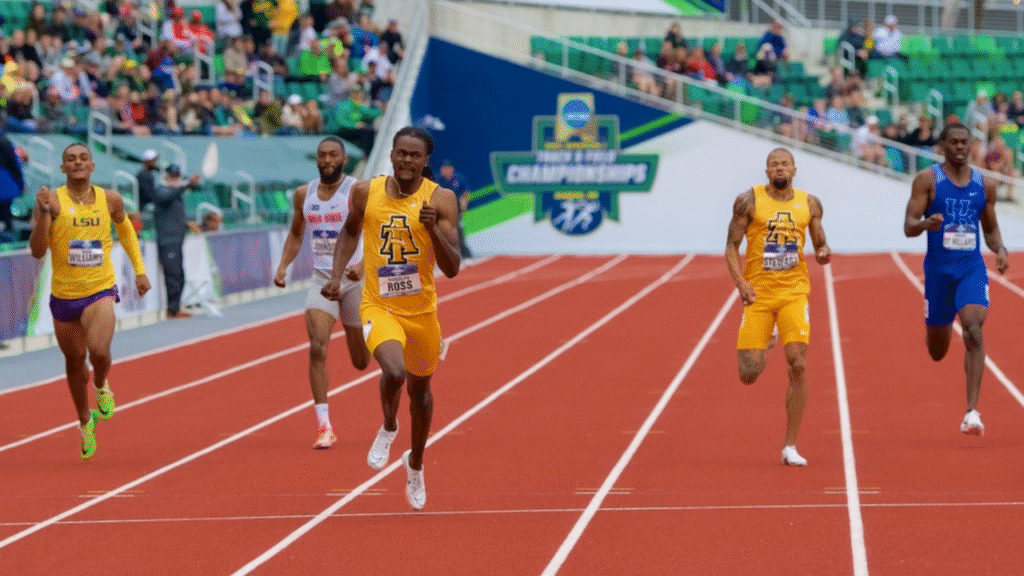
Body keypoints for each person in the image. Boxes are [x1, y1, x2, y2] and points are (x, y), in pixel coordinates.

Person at [321, 126, 461, 510]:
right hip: (378, 305)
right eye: (401, 153)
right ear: (392, 154)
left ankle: (415, 463)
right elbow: (349, 232)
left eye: (415, 155)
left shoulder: (442, 199)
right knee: (395, 372)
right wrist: (336, 276)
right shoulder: (365, 192)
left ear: (426, 160)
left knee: (421, 393)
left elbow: (452, 268)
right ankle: (388, 425)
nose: (407, 160)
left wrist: (432, 229)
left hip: (422, 312)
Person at [28, 143, 151, 459]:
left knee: (98, 351)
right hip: (64, 295)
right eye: (71, 159)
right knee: (74, 362)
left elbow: (125, 231)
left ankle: (101, 384)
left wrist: (139, 270)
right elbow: (38, 251)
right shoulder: (52, 201)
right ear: (63, 168)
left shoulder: (111, 199)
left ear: (92, 166)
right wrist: (43, 214)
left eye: (83, 158)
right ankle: (85, 421)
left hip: (100, 289)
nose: (78, 162)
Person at [725, 148, 831, 466]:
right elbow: (731, 246)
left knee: (798, 364)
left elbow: (820, 242)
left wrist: (823, 252)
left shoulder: (810, 203)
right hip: (759, 295)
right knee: (748, 373)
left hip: (794, 293)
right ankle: (768, 340)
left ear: (794, 170)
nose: (780, 168)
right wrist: (741, 283)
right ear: (767, 171)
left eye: (785, 164)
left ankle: (790, 446)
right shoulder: (749, 201)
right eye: (774, 164)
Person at [904, 122, 1010, 436]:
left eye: (965, 142)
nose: (960, 147)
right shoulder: (927, 180)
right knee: (937, 351)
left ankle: (971, 412)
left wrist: (1000, 248)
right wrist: (925, 224)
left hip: (970, 269)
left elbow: (990, 228)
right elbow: (908, 226)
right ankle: (937, 324)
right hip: (938, 273)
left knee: (974, 330)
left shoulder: (984, 184)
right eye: (954, 142)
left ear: (971, 145)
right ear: (943, 145)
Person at [274, 136, 371, 449]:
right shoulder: (304, 194)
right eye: (322, 155)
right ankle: (324, 426)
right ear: (316, 159)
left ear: (343, 159)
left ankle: (370, 332)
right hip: (321, 279)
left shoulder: (357, 190)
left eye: (333, 155)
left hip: (353, 280)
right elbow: (296, 234)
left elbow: (376, 231)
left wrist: (364, 266)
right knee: (317, 347)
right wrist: (283, 266)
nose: (327, 160)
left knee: (361, 361)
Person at [153, 163, 201, 319]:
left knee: (179, 275)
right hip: (167, 240)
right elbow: (166, 197)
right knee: (173, 275)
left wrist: (186, 224)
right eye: (172, 176)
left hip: (177, 239)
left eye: (177, 176)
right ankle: (172, 309)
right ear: (166, 176)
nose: (175, 179)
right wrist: (186, 184)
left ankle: (175, 307)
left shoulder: (176, 192)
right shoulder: (161, 190)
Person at [435, 158, 473, 259]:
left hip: (455, 208)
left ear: (452, 169)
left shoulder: (459, 178)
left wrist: (464, 202)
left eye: (448, 168)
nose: (446, 170)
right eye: (444, 168)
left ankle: (464, 252)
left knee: (458, 230)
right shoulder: (437, 179)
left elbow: (466, 192)